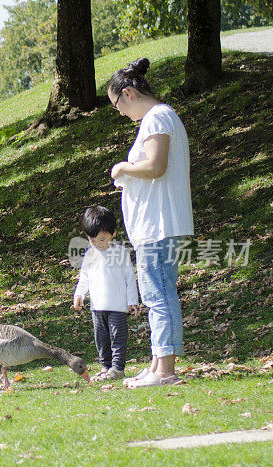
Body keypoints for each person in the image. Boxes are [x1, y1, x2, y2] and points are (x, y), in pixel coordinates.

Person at [106, 58, 194, 388]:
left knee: (158, 295)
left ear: (127, 93)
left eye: (117, 104)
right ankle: (158, 363)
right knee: (156, 293)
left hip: (159, 225)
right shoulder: (158, 118)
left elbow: (156, 166)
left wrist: (123, 168)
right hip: (155, 225)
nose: (119, 112)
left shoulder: (158, 117)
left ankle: (166, 371)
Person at [73, 205, 139, 382]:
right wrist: (79, 295)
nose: (98, 244)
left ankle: (118, 368)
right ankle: (106, 366)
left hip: (118, 306)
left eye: (102, 239)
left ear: (113, 233)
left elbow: (129, 277)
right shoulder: (90, 254)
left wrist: (132, 300)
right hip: (97, 307)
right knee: (101, 338)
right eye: (92, 240)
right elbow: (84, 278)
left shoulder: (120, 252)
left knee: (118, 336)